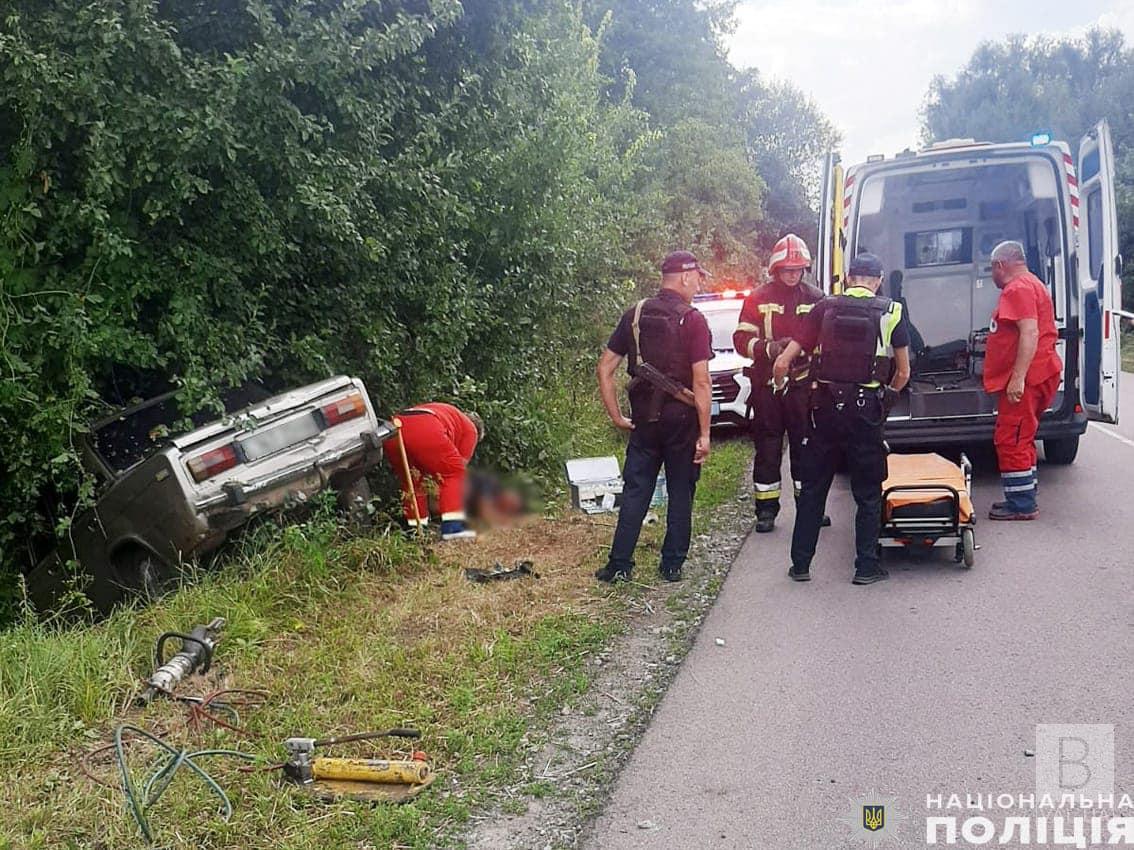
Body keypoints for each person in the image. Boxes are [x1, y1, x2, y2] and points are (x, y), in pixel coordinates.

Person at [773, 252, 911, 585]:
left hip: (824, 410)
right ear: (877, 281)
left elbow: (782, 363)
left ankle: (801, 565)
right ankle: (866, 567)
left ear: (848, 278)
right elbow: (904, 372)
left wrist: (781, 387)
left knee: (813, 490)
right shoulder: (891, 311)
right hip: (865, 412)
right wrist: (885, 401)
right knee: (867, 491)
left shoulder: (824, 308)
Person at [594, 250, 713, 583]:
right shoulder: (693, 320)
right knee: (680, 490)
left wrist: (616, 415)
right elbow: (701, 380)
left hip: (644, 418)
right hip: (682, 420)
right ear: (686, 276)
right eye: (699, 277)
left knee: (636, 489)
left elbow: (605, 368)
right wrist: (705, 433)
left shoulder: (635, 314)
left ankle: (619, 565)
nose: (699, 283)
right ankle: (672, 564)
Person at [733, 233, 826, 532]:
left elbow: (827, 340)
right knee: (768, 447)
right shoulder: (758, 298)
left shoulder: (816, 298)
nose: (793, 274)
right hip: (767, 386)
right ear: (775, 270)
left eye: (798, 269)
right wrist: (770, 349)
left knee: (806, 447)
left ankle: (809, 507)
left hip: (802, 385)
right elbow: (741, 340)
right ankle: (766, 510)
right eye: (787, 270)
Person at [982, 240, 1063, 520]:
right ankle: (1024, 495)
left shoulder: (1017, 289)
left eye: (991, 269)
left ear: (1000, 265)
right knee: (1023, 435)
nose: (992, 275)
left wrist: (1017, 379)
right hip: (1041, 373)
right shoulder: (1033, 284)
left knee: (1011, 437)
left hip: (1028, 379)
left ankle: (1022, 505)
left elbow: (1029, 333)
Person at [384, 402, 484, 540]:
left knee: (412, 482)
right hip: (425, 428)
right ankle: (454, 529)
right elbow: (451, 476)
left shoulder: (444, 412)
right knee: (455, 475)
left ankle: (416, 530)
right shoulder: (471, 430)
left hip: (393, 430)